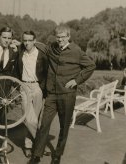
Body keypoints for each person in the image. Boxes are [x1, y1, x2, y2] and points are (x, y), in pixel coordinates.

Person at [28, 25, 96, 164]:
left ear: (68, 37)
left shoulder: (76, 51)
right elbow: (41, 46)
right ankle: (36, 155)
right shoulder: (52, 47)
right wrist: (23, 44)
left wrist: (76, 81)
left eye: (63, 37)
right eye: (58, 37)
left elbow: (91, 66)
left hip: (67, 94)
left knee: (64, 126)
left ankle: (58, 154)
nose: (60, 40)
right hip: (52, 94)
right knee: (44, 124)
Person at [16, 30, 49, 158]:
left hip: (37, 87)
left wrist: (42, 88)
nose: (27, 43)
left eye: (30, 40)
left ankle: (28, 145)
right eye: (25, 40)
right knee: (28, 118)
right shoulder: (20, 53)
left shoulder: (41, 55)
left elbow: (46, 72)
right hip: (24, 86)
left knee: (35, 118)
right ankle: (41, 144)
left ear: (35, 41)